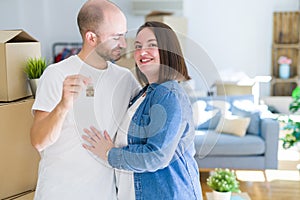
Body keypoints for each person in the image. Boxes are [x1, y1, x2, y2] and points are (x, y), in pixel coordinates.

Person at [30, 0, 140, 199]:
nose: (124, 44)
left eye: (124, 36)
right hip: (59, 194)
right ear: (91, 37)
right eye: (116, 37)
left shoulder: (125, 79)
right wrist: (63, 106)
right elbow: (38, 141)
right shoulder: (56, 74)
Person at [82, 21, 203, 200]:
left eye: (151, 45)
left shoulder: (167, 94)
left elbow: (157, 156)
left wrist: (109, 154)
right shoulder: (145, 93)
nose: (142, 52)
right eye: (138, 46)